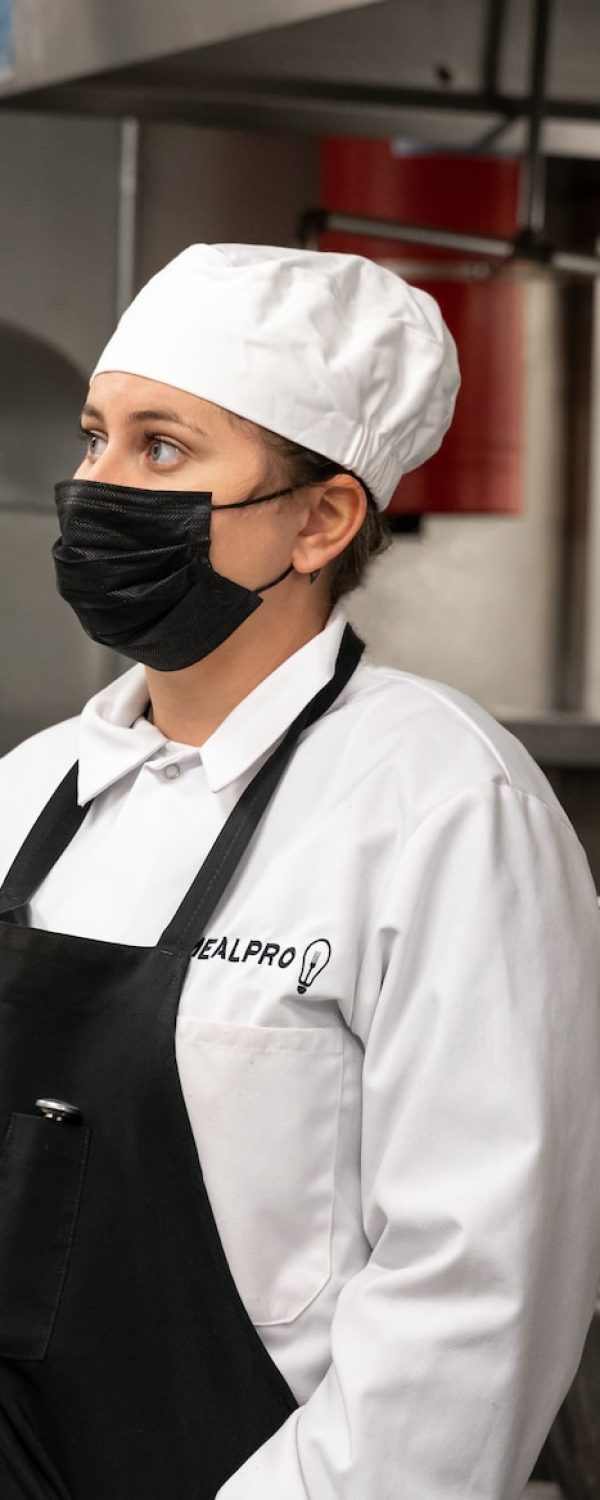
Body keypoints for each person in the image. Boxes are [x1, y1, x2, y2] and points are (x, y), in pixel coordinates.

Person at [0, 242, 599, 1500]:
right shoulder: (24, 791)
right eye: (95, 436)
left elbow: (476, 1287)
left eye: (162, 449)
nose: (96, 485)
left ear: (322, 519)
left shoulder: (442, 806)